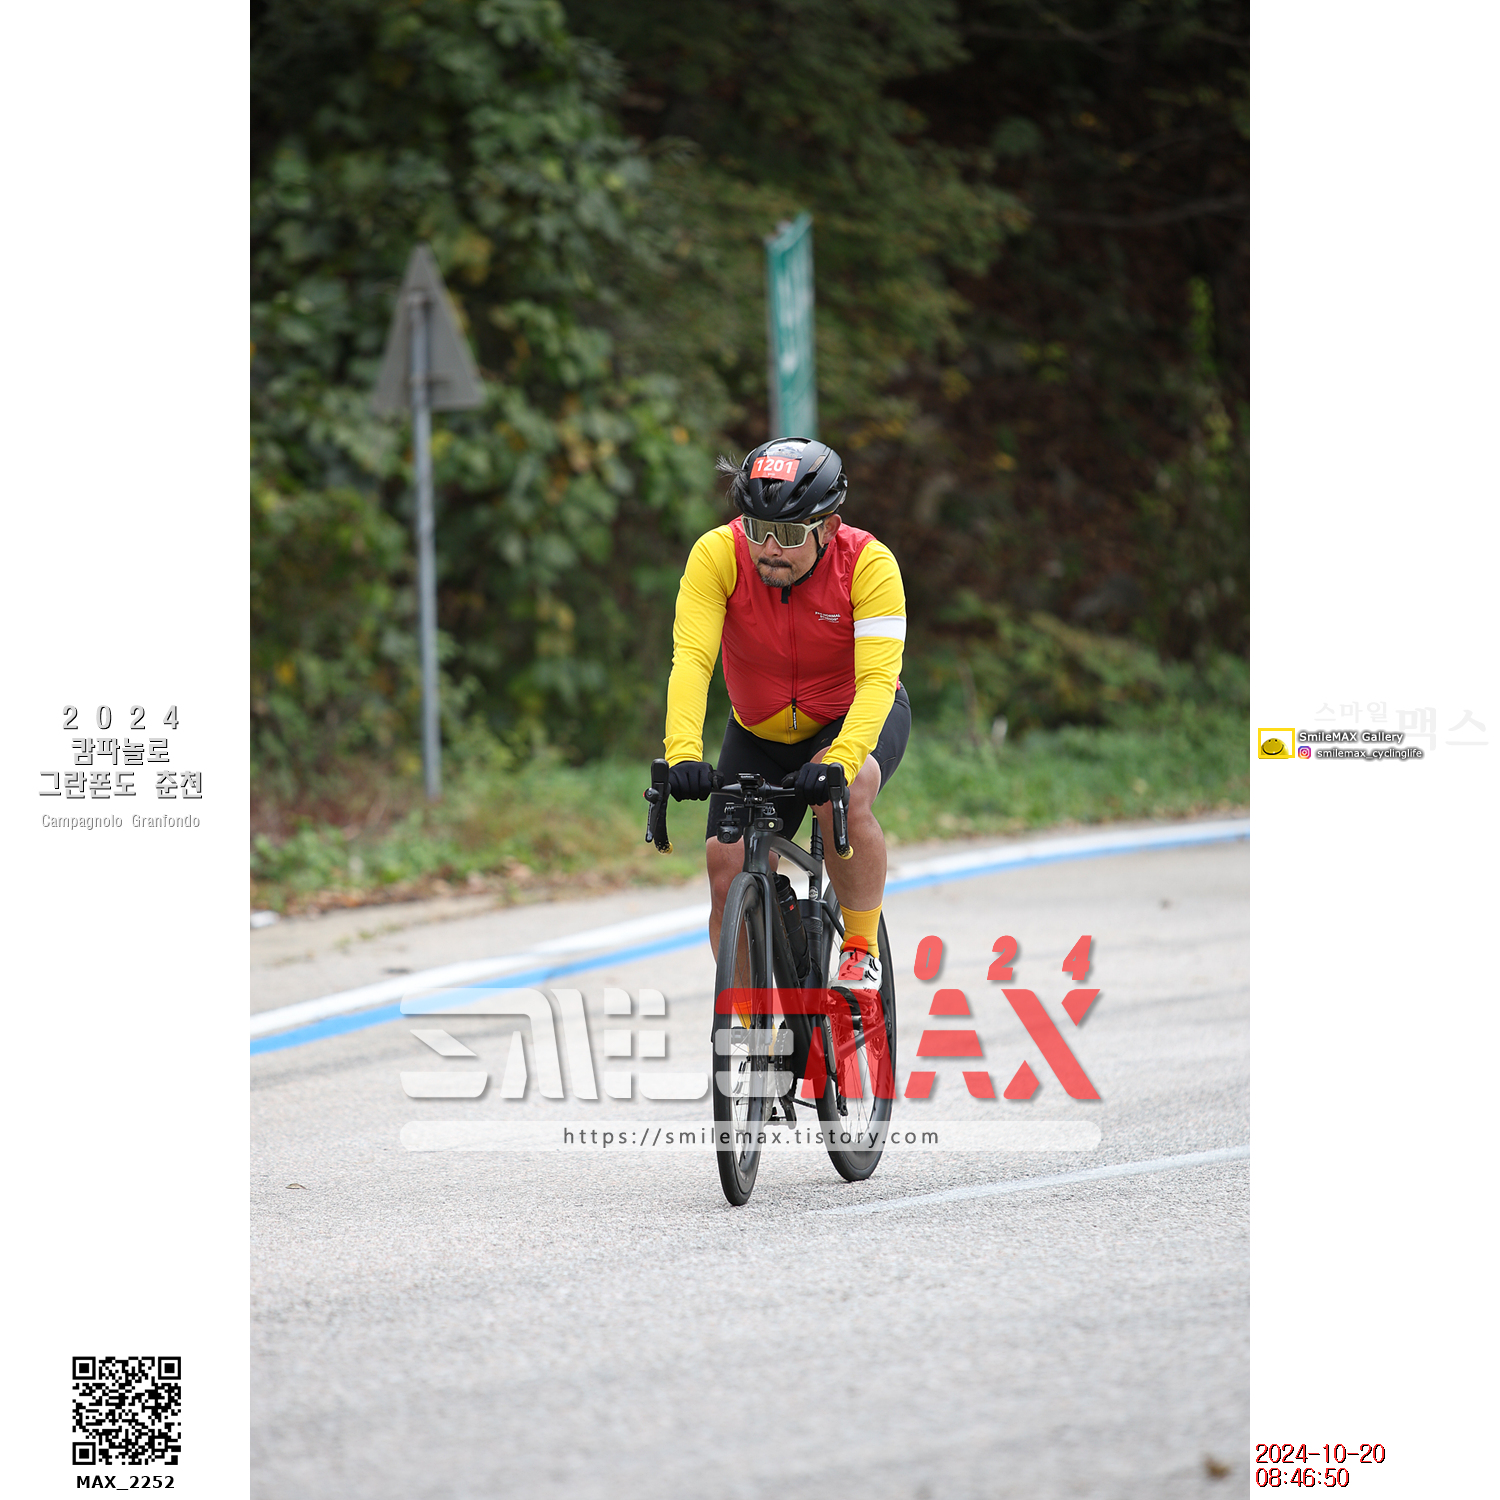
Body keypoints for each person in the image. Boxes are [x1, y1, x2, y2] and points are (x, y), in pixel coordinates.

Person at [662, 436, 910, 993]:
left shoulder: (869, 565)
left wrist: (842, 761)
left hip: (851, 716)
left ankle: (861, 948)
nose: (770, 548)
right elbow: (692, 660)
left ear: (829, 527)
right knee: (726, 869)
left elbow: (876, 680)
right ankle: (748, 1024)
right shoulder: (717, 555)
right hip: (758, 729)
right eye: (758, 529)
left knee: (844, 794)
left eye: (791, 535)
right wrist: (683, 755)